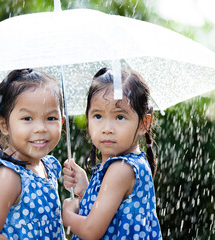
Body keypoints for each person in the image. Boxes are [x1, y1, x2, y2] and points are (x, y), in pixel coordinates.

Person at [62, 67, 162, 239]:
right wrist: (86, 191)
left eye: (120, 117)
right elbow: (113, 216)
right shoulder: (124, 164)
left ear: (144, 123)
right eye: (98, 116)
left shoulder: (121, 169)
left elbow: (91, 231)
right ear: (88, 119)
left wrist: (67, 215)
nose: (107, 129)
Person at [0, 68, 66, 240]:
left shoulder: (48, 166)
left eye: (51, 118)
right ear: (4, 125)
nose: (41, 128)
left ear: (62, 121)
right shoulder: (7, 176)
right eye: (27, 119)